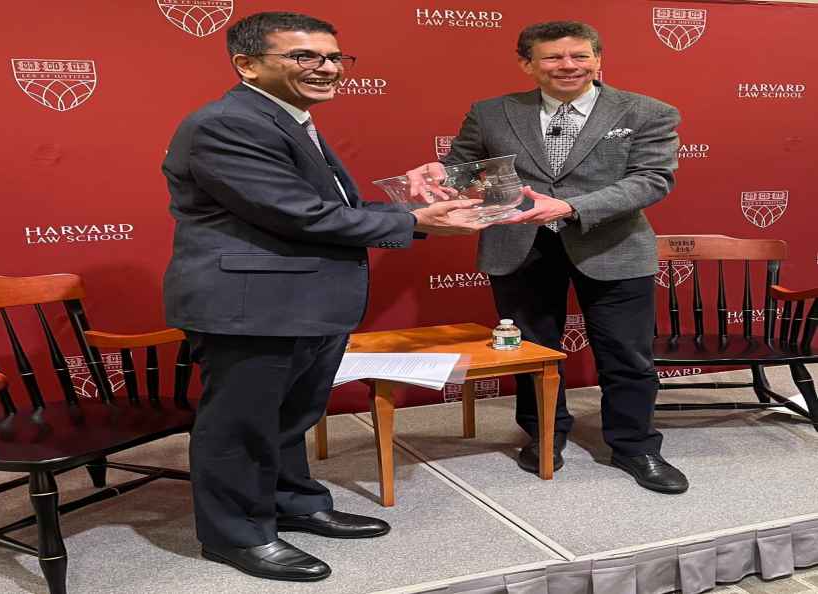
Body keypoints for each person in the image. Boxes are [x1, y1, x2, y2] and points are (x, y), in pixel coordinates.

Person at [162, 11, 493, 583]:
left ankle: (292, 503)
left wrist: (412, 214)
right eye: (303, 57)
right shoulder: (227, 123)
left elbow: (325, 208)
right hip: (251, 309)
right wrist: (417, 221)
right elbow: (296, 213)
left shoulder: (288, 120)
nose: (325, 68)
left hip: (305, 302)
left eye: (334, 57)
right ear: (246, 64)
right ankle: (237, 535)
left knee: (291, 416)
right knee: (240, 426)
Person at [407, 21, 689, 494]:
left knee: (627, 356)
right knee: (531, 354)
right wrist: (440, 172)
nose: (568, 66)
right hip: (518, 247)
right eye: (553, 58)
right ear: (528, 64)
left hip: (612, 246)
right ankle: (543, 437)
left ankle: (636, 446)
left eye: (580, 56)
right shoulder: (491, 112)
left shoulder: (647, 111)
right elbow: (462, 172)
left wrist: (573, 207)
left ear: (599, 59)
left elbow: (652, 180)